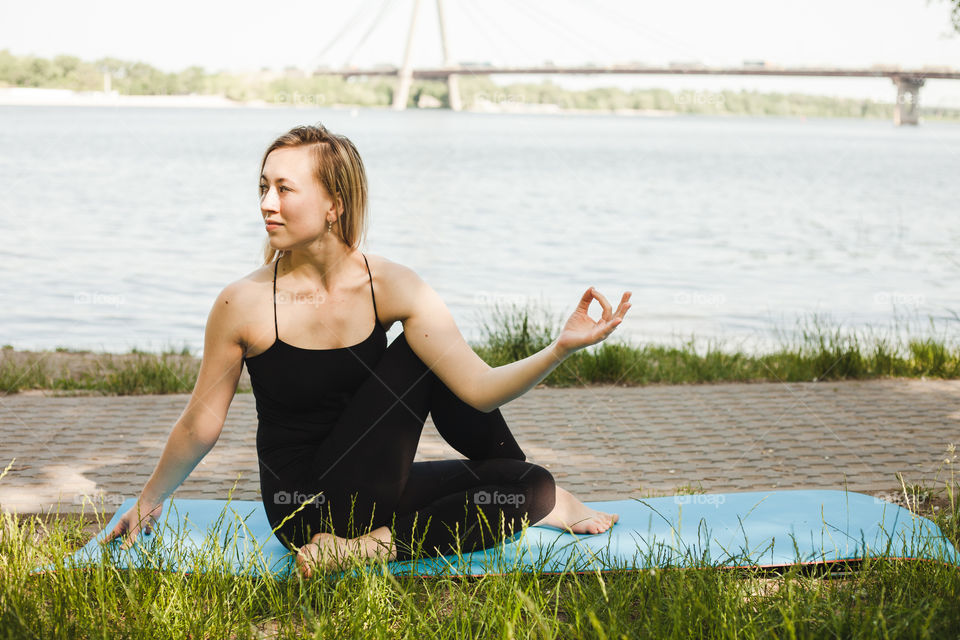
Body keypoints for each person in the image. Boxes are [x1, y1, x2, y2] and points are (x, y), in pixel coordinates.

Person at [101, 123, 632, 578]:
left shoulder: (392, 285)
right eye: (263, 187)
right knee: (420, 355)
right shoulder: (243, 303)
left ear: (334, 204)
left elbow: (479, 387)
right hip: (303, 510)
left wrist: (558, 349)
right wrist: (149, 500)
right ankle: (377, 541)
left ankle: (372, 547)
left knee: (532, 487)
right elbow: (200, 424)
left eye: (285, 189)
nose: (267, 203)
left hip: (376, 490)